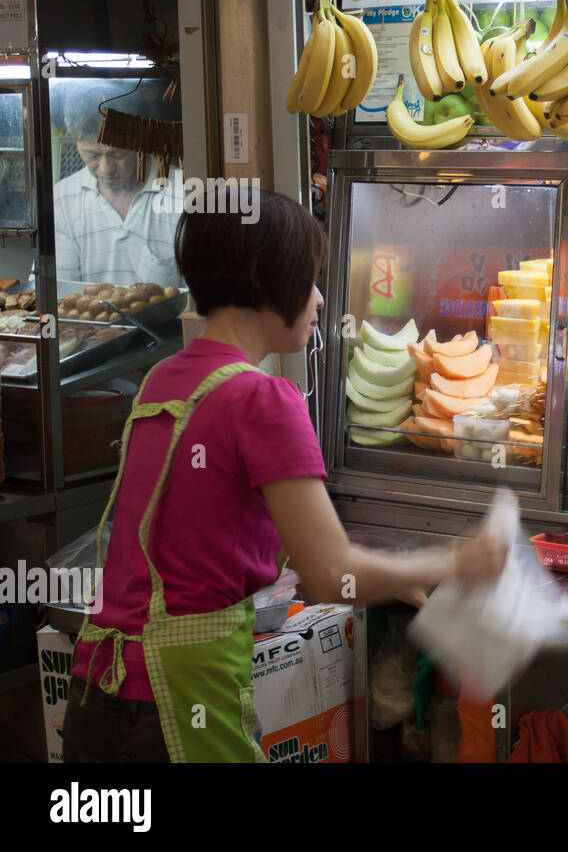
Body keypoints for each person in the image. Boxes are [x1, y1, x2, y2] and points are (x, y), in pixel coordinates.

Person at [62, 186, 507, 763]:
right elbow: (328, 576)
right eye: (309, 278)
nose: (319, 299)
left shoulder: (164, 380)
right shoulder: (263, 397)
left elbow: (211, 528)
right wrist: (458, 560)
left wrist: (392, 576)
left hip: (96, 693)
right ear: (265, 278)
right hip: (171, 705)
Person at [53, 84, 185, 288]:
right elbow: (59, 292)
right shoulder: (62, 200)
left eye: (117, 154)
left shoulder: (185, 195)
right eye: (92, 155)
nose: (106, 169)